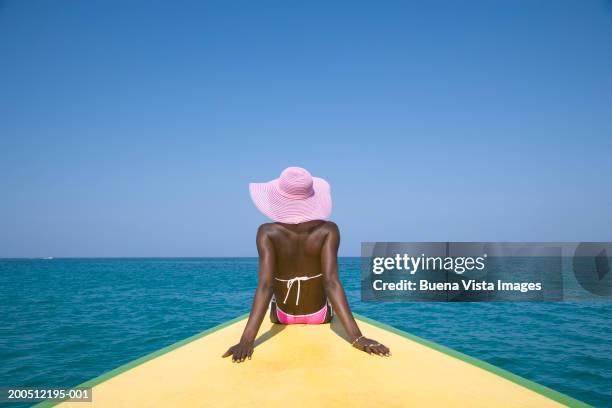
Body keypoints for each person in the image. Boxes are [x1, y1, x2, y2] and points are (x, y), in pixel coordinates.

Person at [223, 167, 390, 362]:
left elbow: (265, 287)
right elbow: (332, 283)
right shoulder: (328, 230)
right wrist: (358, 337)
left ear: (278, 200)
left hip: (281, 316)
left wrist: (246, 341)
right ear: (312, 199)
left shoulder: (267, 232)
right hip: (320, 315)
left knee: (274, 296)